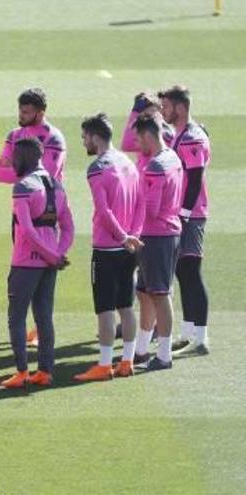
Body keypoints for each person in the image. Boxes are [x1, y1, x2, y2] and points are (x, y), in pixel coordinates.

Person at [0, 137, 74, 389]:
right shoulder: (57, 186)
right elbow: (68, 226)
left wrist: (50, 255)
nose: (11, 161)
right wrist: (56, 253)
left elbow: (28, 231)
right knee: (44, 316)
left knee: (17, 317)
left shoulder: (23, 187)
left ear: (28, 157)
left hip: (25, 262)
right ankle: (45, 371)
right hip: (49, 264)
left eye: (15, 157)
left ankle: (21, 371)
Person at [73, 114, 143, 382]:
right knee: (126, 306)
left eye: (84, 137)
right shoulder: (128, 162)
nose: (83, 143)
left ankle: (104, 365)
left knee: (104, 309)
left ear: (94, 136)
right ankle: (126, 361)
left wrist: (122, 236)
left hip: (107, 249)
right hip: (130, 249)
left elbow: (104, 211)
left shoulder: (97, 168)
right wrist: (133, 236)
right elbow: (140, 203)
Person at [158, 86, 211, 356]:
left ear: (180, 107)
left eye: (166, 106)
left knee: (190, 272)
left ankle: (201, 339)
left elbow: (196, 178)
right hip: (184, 213)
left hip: (191, 214)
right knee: (183, 272)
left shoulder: (191, 138)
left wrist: (185, 215)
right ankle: (189, 333)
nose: (163, 110)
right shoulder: (182, 135)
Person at [131, 114, 183, 371]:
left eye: (138, 138)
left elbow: (150, 208)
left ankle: (164, 355)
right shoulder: (173, 158)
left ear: (147, 135)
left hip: (156, 236)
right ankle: (141, 350)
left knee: (160, 295)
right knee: (144, 292)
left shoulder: (154, 166)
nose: (137, 144)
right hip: (166, 233)